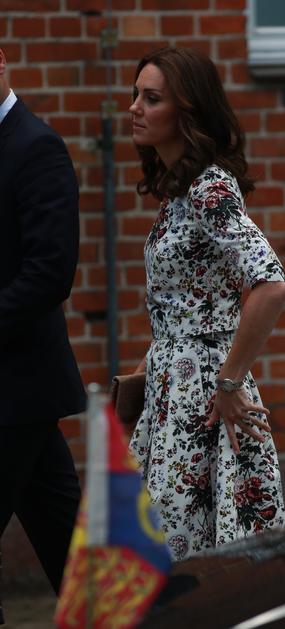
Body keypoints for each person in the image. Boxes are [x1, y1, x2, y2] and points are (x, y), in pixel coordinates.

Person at [128, 47, 285, 562]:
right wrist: (150, 365)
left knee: (187, 557)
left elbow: (271, 285)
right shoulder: (178, 190)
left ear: (187, 112)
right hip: (173, 388)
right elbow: (188, 304)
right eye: (136, 94)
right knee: (162, 547)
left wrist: (229, 382)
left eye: (151, 98)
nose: (134, 107)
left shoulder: (209, 189)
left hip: (203, 393)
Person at [0, 47, 86, 618]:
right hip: (16, 399)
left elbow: (50, 273)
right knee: (67, 542)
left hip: (18, 388)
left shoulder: (37, 147)